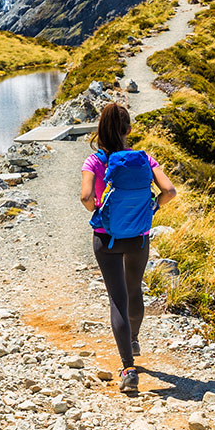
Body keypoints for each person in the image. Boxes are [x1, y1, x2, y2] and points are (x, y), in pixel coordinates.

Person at [80, 103, 176, 394]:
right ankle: (133, 337)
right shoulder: (144, 159)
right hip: (139, 236)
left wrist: (99, 208)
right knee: (134, 291)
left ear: (100, 131)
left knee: (117, 299)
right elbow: (169, 191)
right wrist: (151, 208)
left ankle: (128, 367)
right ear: (128, 131)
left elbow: (85, 197)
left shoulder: (94, 162)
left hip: (106, 238)